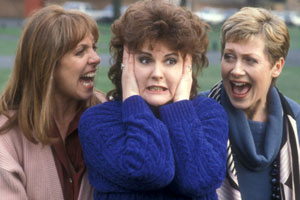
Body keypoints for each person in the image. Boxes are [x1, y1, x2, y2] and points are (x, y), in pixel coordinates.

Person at [78, 0, 228, 199]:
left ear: (188, 66)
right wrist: (132, 99)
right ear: (125, 64)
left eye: (171, 61)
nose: (157, 73)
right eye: (145, 60)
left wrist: (181, 104)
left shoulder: (209, 114)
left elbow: (198, 180)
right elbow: (150, 170)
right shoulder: (98, 121)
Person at [0, 5, 106, 200]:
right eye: (81, 51)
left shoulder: (107, 114)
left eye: (94, 48)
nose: (96, 58)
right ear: (47, 64)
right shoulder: (6, 134)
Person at [201, 7, 300, 200]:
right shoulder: (197, 113)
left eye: (250, 60)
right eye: (229, 56)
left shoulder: (296, 121)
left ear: (276, 67)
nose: (236, 70)